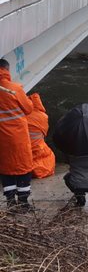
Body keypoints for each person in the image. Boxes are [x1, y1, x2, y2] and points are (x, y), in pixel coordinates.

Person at [0, 58, 34, 211]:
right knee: (23, 166)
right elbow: (28, 109)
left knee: (6, 167)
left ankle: (10, 202)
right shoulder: (15, 89)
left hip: (2, 137)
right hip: (18, 135)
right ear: (6, 70)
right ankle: (23, 202)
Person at [26, 93, 55, 178]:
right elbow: (45, 132)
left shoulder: (23, 116)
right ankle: (40, 170)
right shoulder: (44, 116)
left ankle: (34, 170)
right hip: (39, 144)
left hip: (26, 146)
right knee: (46, 154)